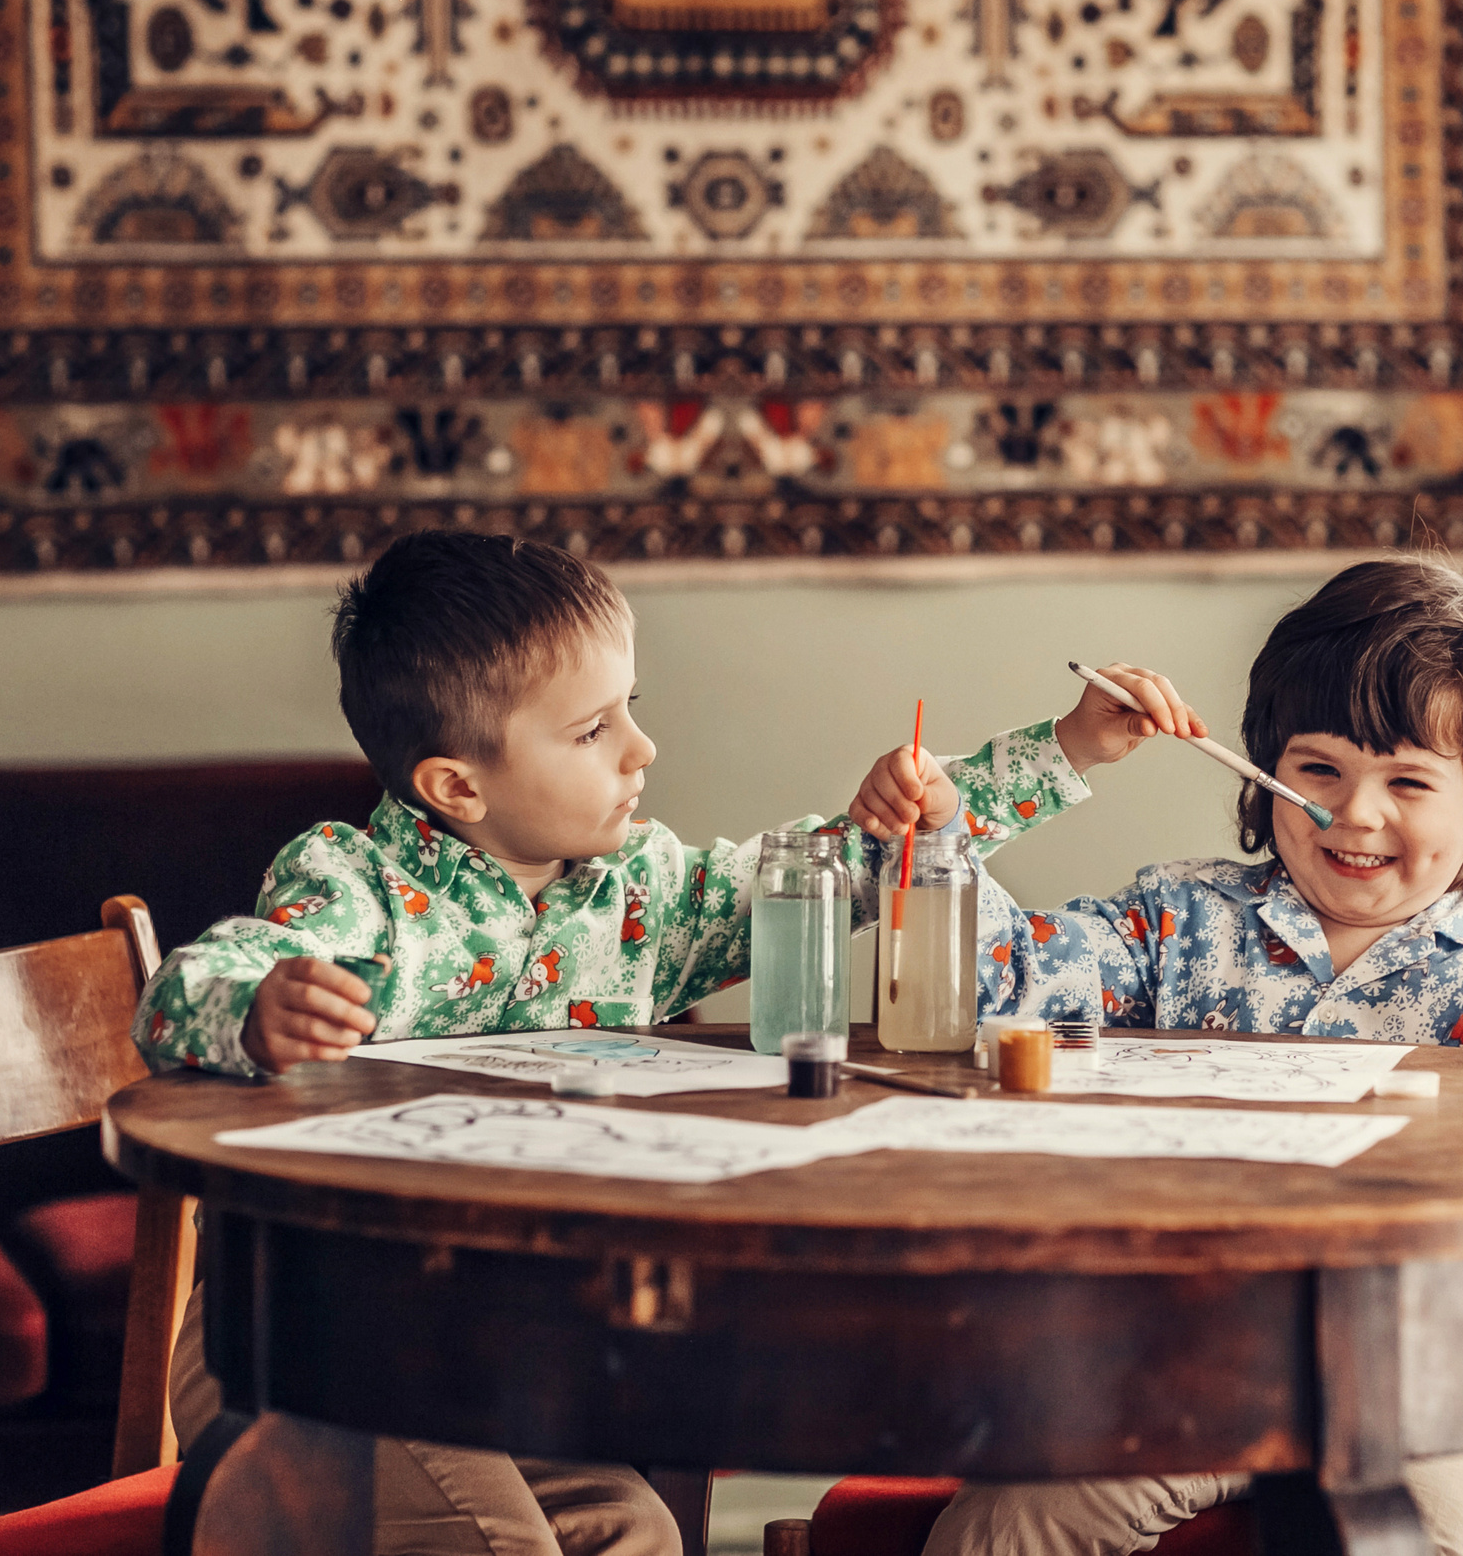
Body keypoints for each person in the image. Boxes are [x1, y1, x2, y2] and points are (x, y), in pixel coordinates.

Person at [138, 528, 1195, 1556]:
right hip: (314, 1334)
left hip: (495, 1356)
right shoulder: (350, 886)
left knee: (634, 1530)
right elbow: (183, 989)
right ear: (456, 786)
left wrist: (1053, 752)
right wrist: (255, 1007)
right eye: (592, 731)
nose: (642, 749)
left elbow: (840, 866)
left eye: (629, 711)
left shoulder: (643, 892)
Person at [853, 556, 1463, 1556]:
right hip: (1176, 1358)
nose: (1355, 814)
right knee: (1004, 1529)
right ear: (1263, 772)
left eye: (1408, 782)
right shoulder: (1180, 921)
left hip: (1419, 1383)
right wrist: (942, 834)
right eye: (1319, 770)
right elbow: (1002, 987)